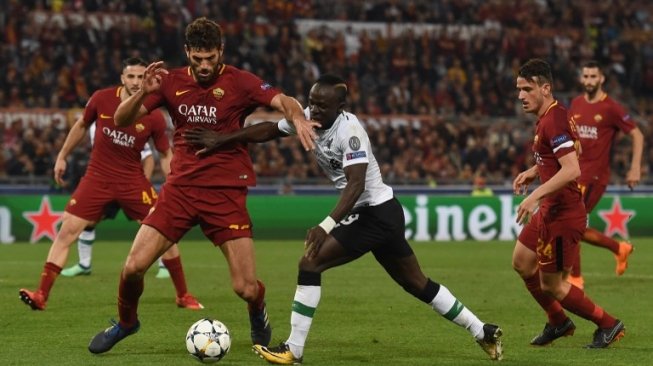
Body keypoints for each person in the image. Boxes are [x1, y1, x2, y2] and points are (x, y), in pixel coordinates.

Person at [185, 74, 504, 363]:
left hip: (375, 212)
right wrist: (222, 140)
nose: (314, 111)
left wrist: (326, 225)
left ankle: (293, 350)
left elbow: (356, 184)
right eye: (311, 103)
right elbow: (269, 129)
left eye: (322, 106)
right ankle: (482, 331)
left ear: (341, 106)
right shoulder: (309, 117)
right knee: (417, 284)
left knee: (310, 262)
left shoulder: (350, 132)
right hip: (382, 213)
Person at [87, 17, 317, 354]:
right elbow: (120, 119)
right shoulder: (169, 82)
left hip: (225, 192)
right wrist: (143, 94)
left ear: (221, 51)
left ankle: (257, 310)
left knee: (245, 287)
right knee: (133, 267)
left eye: (211, 58)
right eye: (198, 59)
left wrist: (296, 116)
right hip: (180, 190)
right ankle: (126, 322)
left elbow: (284, 100)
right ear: (187, 53)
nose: (205, 65)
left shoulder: (240, 81)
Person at [18, 57, 203, 311]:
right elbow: (81, 125)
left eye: (141, 77)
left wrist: (175, 177)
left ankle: (183, 294)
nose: (136, 82)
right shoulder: (101, 99)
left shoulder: (153, 115)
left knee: (165, 234)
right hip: (97, 178)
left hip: (133, 181)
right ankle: (41, 294)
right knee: (66, 232)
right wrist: (62, 156)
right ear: (122, 78)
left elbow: (164, 154)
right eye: (131, 77)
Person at [511, 59, 624, 349]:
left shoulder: (555, 119)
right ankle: (558, 321)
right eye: (518, 89)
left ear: (545, 88)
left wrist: (534, 195)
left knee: (554, 285)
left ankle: (608, 324)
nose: (520, 95)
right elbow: (577, 148)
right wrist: (535, 171)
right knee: (522, 262)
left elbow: (573, 169)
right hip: (550, 209)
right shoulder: (553, 115)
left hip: (563, 214)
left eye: (527, 89)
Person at [566, 60, 642, 289]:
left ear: (601, 79)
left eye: (593, 77)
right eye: (585, 76)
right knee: (572, 224)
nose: (589, 80)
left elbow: (637, 135)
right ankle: (619, 248)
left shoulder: (611, 108)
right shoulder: (576, 104)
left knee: (571, 222)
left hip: (595, 176)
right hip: (575, 173)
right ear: (582, 79)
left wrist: (635, 166)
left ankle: (576, 278)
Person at [62, 134, 170, 279]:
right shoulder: (97, 125)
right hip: (106, 184)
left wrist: (141, 184)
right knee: (89, 221)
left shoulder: (127, 127)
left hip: (129, 185)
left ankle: (164, 265)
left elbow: (148, 159)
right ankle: (84, 264)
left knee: (151, 223)